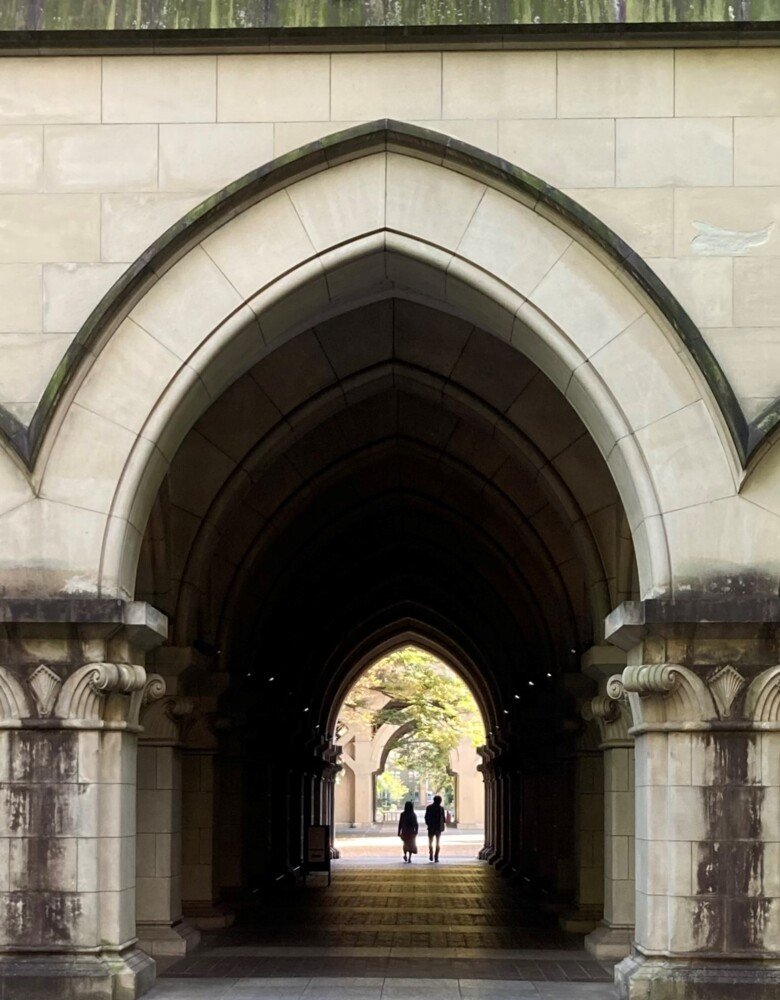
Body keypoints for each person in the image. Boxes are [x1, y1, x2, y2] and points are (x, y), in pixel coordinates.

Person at [424, 795, 446, 862]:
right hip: (438, 828)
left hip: (431, 827)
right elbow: (444, 819)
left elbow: (426, 817)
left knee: (430, 842)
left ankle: (431, 854)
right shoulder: (441, 808)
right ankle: (436, 856)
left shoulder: (429, 807)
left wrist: (428, 824)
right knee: (437, 842)